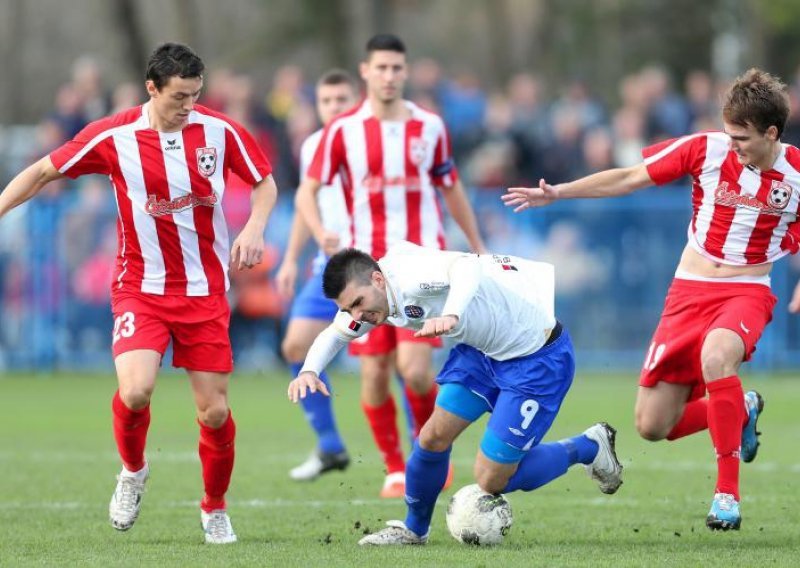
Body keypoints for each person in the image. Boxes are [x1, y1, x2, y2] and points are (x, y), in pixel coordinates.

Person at [0, 42, 278, 544]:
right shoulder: (114, 134)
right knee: (135, 390)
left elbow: (265, 182)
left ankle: (214, 508)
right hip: (140, 287)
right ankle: (132, 471)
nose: (189, 106)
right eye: (178, 97)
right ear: (152, 88)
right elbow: (43, 171)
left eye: (195, 95)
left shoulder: (220, 130)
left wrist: (255, 227)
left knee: (213, 412)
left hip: (205, 291)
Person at [502, 67, 795, 531]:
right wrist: (560, 193)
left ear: (771, 133)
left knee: (718, 356)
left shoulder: (795, 175)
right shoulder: (705, 148)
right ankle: (742, 407)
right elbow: (632, 177)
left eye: (741, 136)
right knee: (653, 425)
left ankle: (727, 496)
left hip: (746, 290)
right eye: (728, 132)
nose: (731, 143)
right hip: (688, 289)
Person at [287, 242, 623, 545]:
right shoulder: (370, 304)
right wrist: (309, 370)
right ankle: (414, 531)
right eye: (349, 310)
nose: (357, 317)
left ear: (377, 279)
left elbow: (467, 265)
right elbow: (334, 333)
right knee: (432, 437)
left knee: (491, 479)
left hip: (535, 357)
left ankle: (588, 446)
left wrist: (451, 313)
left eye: (358, 304)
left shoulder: (410, 277)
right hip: (482, 353)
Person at [295, 33, 486, 497]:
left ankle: (429, 455)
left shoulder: (431, 127)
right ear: (365, 71)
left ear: (405, 71)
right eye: (380, 67)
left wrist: (476, 243)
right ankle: (395, 467)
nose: (389, 76)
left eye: (396, 68)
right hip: (365, 272)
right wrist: (321, 232)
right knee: (375, 375)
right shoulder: (343, 130)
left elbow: (451, 186)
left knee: (416, 370)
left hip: (421, 269)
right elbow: (307, 189)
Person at [275, 69, 359, 481]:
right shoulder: (312, 146)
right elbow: (305, 204)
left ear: (356, 101)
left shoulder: (369, 139)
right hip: (328, 266)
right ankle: (329, 446)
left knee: (398, 366)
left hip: (374, 263)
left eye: (341, 100)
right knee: (295, 345)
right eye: (326, 101)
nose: (333, 108)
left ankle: (418, 452)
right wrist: (291, 258)